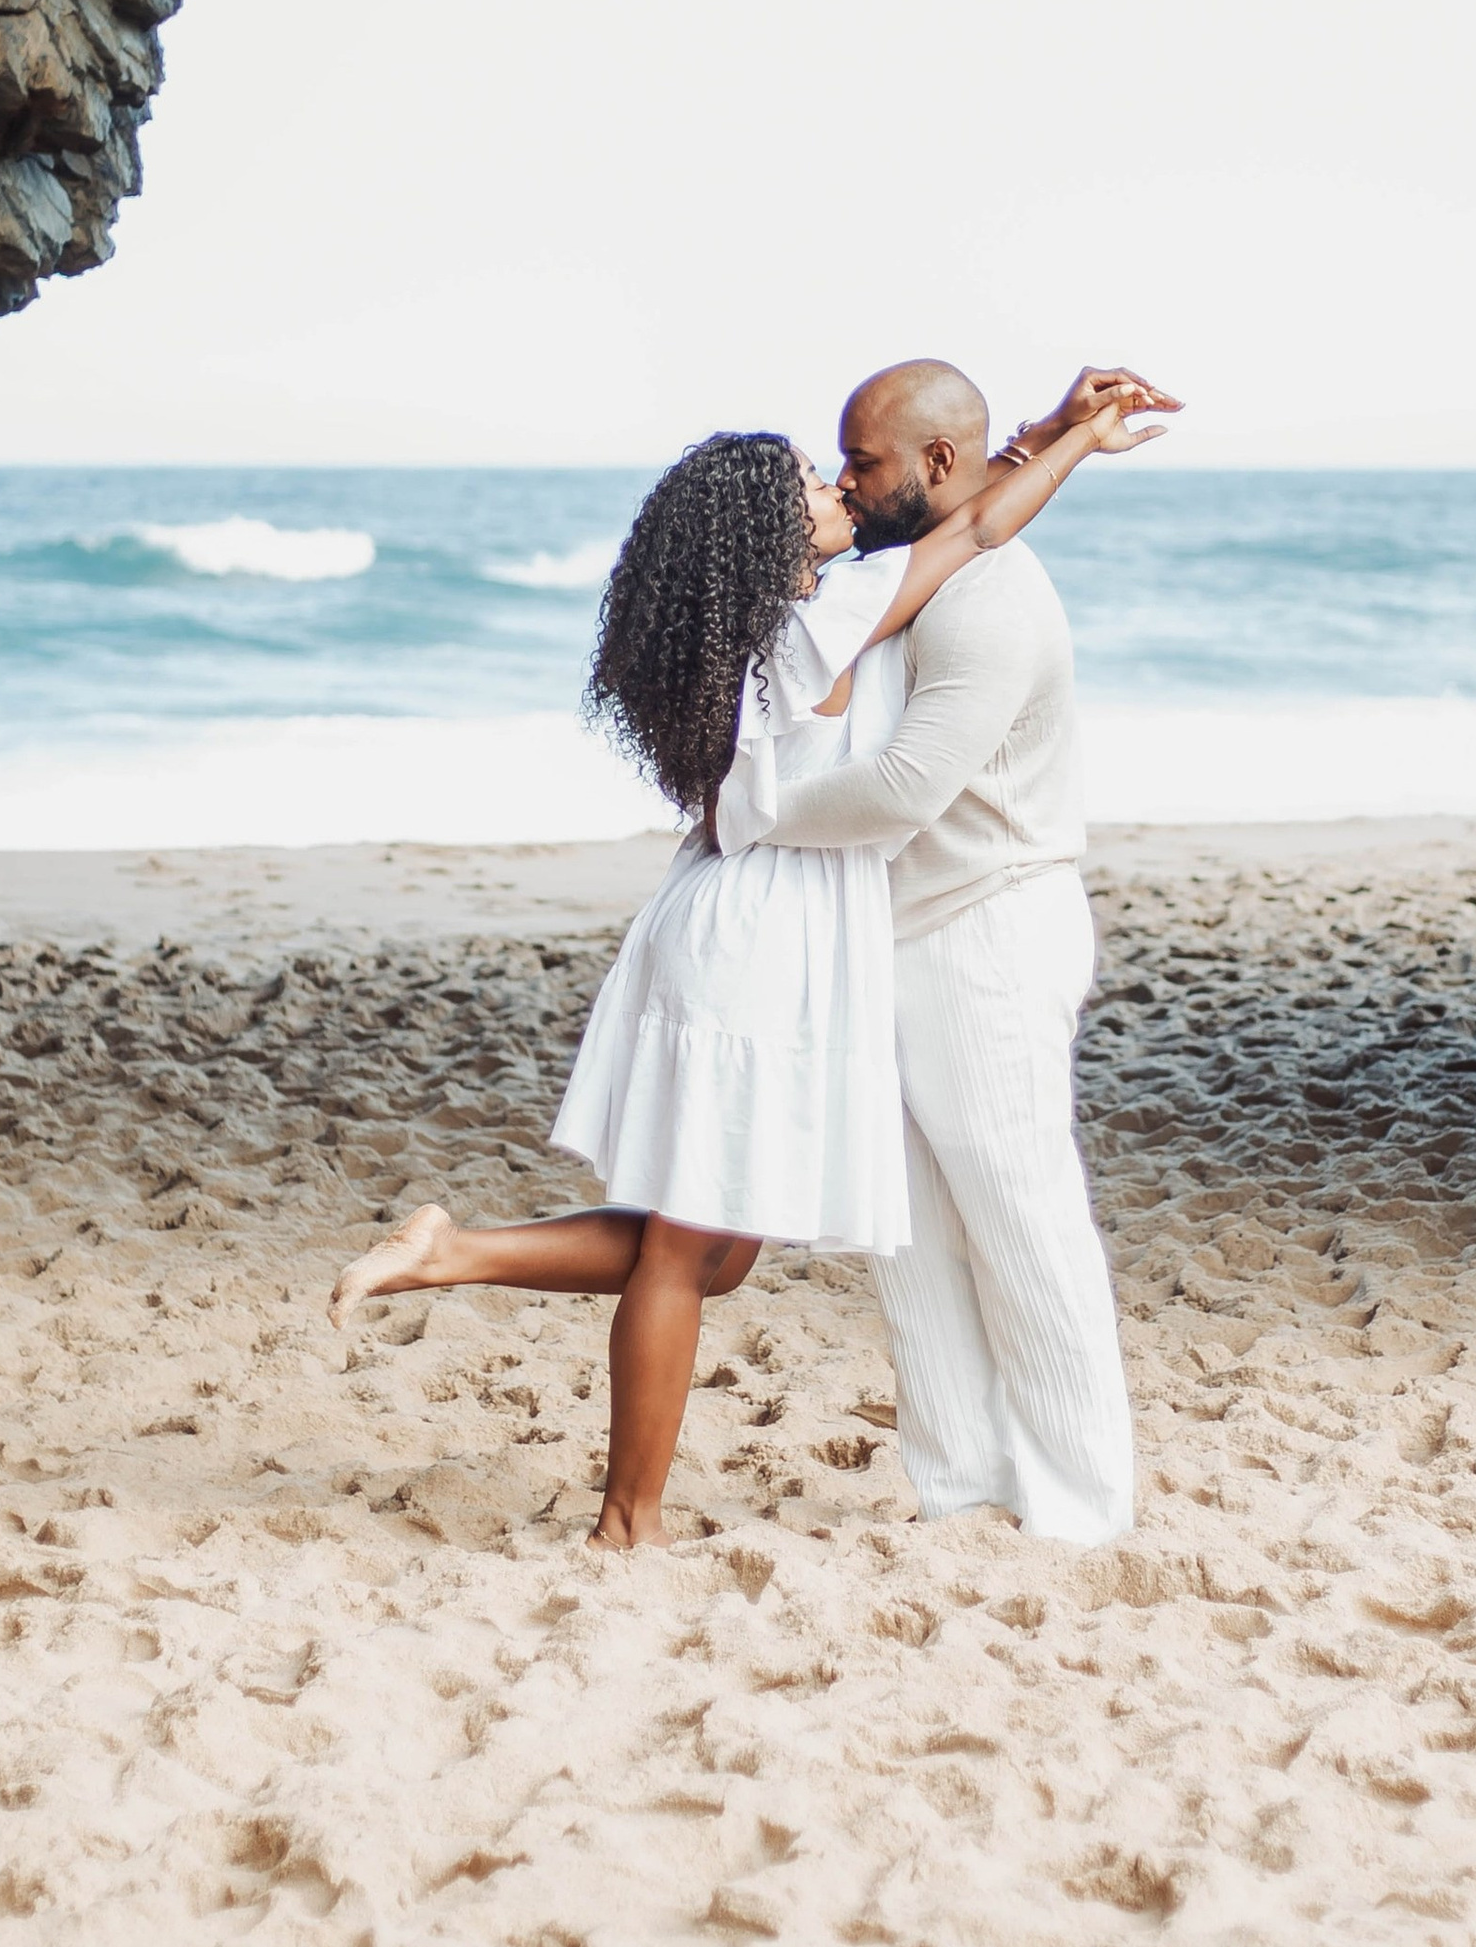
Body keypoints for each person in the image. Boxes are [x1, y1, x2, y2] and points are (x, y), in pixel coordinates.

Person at [329, 396, 1151, 1546]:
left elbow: (953, 511)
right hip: (760, 933)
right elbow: (967, 532)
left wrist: (1044, 433)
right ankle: (628, 1521)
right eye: (817, 487)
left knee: (717, 1252)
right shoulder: (821, 625)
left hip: (733, 922)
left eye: (843, 472)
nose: (839, 492)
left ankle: (456, 1250)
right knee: (686, 1243)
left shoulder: (739, 635)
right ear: (769, 542)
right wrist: (1071, 445)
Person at [716, 358, 1177, 1547]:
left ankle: (1081, 1505)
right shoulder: (918, 564)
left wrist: (747, 813)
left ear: (928, 462)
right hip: (895, 929)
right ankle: (963, 1487)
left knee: (1018, 1210)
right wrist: (1050, 435)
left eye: (861, 462)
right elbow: (977, 499)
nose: (847, 484)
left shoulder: (991, 599)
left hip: (988, 929)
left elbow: (908, 788)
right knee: (910, 1228)